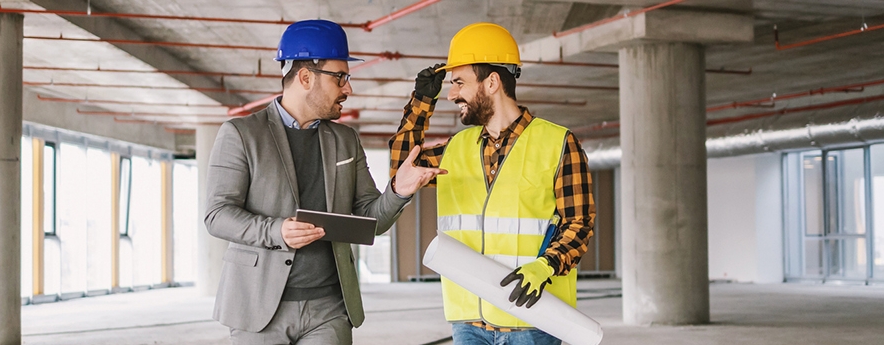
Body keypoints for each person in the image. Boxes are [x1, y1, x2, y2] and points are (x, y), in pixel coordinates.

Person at [205, 19, 445, 345]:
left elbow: (369, 220)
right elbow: (217, 215)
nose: (348, 88)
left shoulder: (345, 140)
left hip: (329, 309)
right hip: (257, 307)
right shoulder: (241, 135)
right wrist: (277, 231)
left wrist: (398, 190)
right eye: (341, 78)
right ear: (305, 77)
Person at [388, 22, 596, 345]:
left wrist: (546, 266)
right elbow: (401, 171)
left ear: (492, 82)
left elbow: (579, 223)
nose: (452, 93)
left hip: (532, 319)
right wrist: (420, 103)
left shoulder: (557, 143)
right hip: (468, 322)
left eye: (459, 82)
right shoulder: (458, 147)